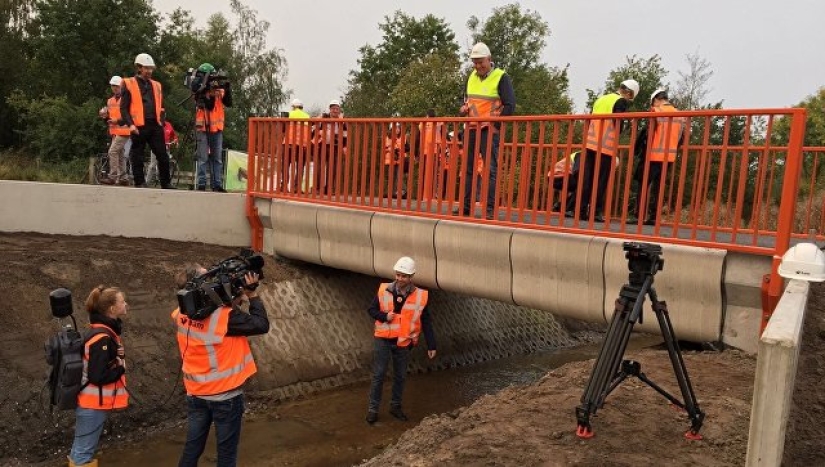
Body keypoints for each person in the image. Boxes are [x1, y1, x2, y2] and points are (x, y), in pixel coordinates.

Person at [173, 265, 269, 467]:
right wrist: (252, 295)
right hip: (225, 397)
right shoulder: (224, 318)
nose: (214, 280)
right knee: (226, 454)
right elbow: (261, 325)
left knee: (192, 448)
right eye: (209, 277)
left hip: (196, 394)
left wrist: (231, 300)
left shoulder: (181, 314)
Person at [366, 256, 436, 424]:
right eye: (398, 274)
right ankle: (373, 409)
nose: (400, 278)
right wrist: (384, 316)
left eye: (404, 276)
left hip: (403, 342)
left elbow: (425, 320)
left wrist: (431, 344)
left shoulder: (420, 296)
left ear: (411, 277)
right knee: (379, 374)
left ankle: (395, 407)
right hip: (383, 339)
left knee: (400, 377)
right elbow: (371, 309)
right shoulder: (384, 290)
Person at [68, 286, 129, 467]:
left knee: (81, 450)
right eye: (122, 301)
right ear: (112, 309)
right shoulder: (102, 337)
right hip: (92, 405)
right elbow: (97, 376)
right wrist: (120, 368)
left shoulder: (103, 331)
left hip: (92, 404)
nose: (126, 304)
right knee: (83, 452)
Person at [455, 42, 516, 220]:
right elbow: (467, 100)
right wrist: (463, 108)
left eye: (480, 62)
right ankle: (465, 208)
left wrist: (495, 125)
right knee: (468, 169)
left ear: (489, 59)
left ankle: (489, 210)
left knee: (490, 170)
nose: (477, 66)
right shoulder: (471, 77)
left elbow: (510, 105)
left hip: (489, 130)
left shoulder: (501, 77)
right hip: (472, 128)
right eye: (474, 62)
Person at [571, 79, 639, 222]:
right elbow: (618, 123)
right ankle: (595, 212)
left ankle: (580, 210)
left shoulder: (601, 99)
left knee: (587, 179)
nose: (629, 99)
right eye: (630, 96)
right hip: (605, 147)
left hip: (590, 144)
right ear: (628, 92)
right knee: (601, 181)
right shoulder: (620, 101)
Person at [632, 88, 685, 225]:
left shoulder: (656, 111)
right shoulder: (680, 115)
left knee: (643, 184)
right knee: (659, 187)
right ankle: (654, 217)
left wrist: (641, 150)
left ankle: (638, 216)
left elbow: (649, 133)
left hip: (653, 155)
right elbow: (682, 138)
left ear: (656, 99)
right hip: (669, 156)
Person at [120, 53, 172, 189]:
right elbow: (123, 108)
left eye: (151, 68)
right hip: (138, 126)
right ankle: (140, 182)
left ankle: (166, 183)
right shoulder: (128, 83)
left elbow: (160, 105)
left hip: (155, 125)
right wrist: (130, 124)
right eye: (146, 68)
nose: (149, 71)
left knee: (162, 154)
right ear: (139, 68)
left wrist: (161, 121)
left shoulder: (157, 85)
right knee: (137, 155)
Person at [194, 63, 232, 192]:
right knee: (203, 157)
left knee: (217, 158)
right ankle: (202, 184)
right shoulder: (200, 90)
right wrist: (208, 91)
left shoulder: (219, 90)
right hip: (203, 127)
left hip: (217, 128)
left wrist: (227, 88)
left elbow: (229, 102)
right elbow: (209, 106)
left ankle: (217, 184)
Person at [99, 76, 131, 186]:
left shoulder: (126, 98)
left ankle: (112, 177)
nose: (114, 88)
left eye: (116, 86)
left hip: (124, 130)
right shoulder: (110, 101)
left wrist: (117, 121)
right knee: (120, 154)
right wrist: (104, 116)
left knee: (112, 151)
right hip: (115, 131)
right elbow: (109, 118)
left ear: (121, 86)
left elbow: (129, 115)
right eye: (113, 86)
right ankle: (123, 178)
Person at [312, 100, 347, 195]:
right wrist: (314, 139)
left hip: (335, 146)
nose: (335, 111)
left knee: (333, 169)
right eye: (333, 109)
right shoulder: (323, 117)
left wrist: (344, 146)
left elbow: (345, 134)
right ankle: (318, 188)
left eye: (337, 109)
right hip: (322, 145)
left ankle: (329, 189)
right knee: (319, 168)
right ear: (330, 109)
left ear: (339, 110)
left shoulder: (342, 120)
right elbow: (313, 125)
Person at [285, 98, 311, 193]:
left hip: (289, 143)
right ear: (302, 107)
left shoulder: (289, 115)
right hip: (302, 145)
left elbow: (284, 129)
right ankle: (297, 187)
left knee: (285, 165)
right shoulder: (307, 116)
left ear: (293, 107)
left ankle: (284, 186)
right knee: (300, 167)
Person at [146, 110, 178, 186]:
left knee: (166, 165)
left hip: (166, 148)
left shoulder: (168, 125)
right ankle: (147, 182)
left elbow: (174, 135)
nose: (162, 117)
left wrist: (175, 141)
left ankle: (167, 182)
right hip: (155, 148)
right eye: (161, 115)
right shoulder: (155, 124)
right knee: (153, 165)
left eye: (164, 115)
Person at [419, 109, 443, 200]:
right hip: (435, 150)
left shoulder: (422, 123)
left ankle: (423, 194)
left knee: (424, 172)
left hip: (425, 150)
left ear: (427, 115)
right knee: (434, 173)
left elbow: (419, 134)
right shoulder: (438, 122)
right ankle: (432, 194)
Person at [384, 121, 410, 199]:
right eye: (395, 128)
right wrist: (389, 149)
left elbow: (407, 148)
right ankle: (391, 193)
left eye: (398, 128)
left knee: (399, 177)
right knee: (391, 177)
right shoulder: (387, 138)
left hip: (400, 160)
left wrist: (399, 149)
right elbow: (384, 149)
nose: (397, 130)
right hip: (390, 160)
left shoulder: (403, 137)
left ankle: (405, 191)